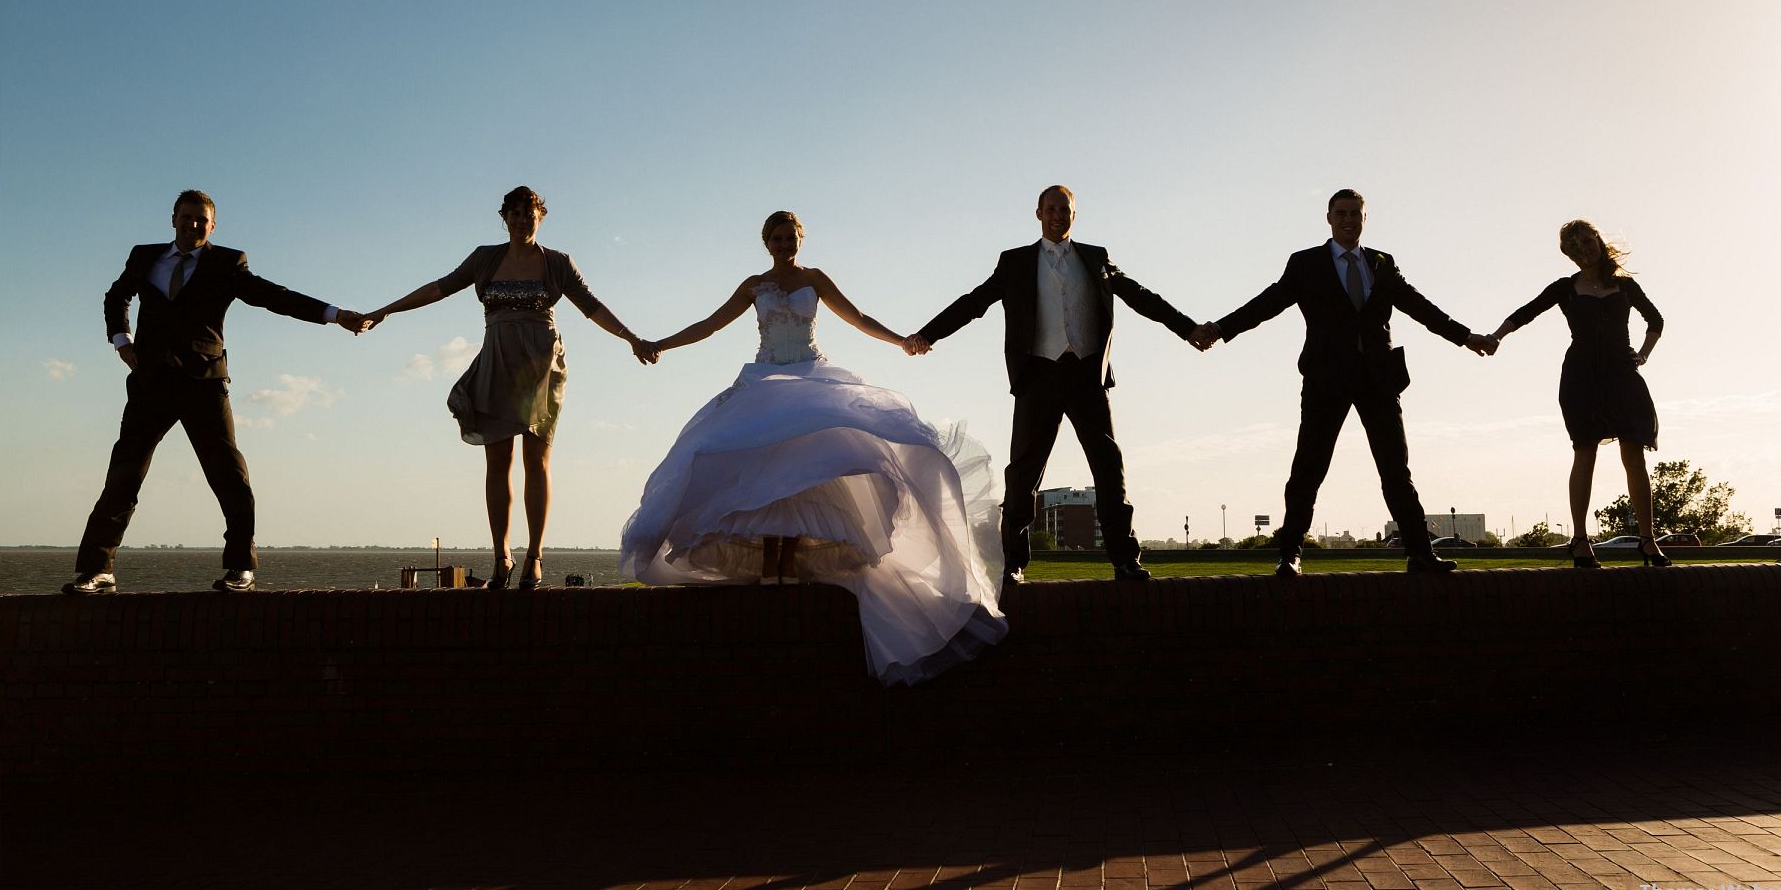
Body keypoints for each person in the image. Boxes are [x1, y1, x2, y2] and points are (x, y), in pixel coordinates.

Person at [619, 211, 1006, 686]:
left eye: (791, 238)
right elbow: (709, 325)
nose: (785, 245)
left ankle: (789, 559)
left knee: (808, 467)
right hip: (765, 379)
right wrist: (661, 343)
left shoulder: (815, 278)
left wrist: (900, 339)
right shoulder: (753, 285)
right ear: (766, 243)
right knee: (765, 467)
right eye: (777, 239)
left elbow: (858, 317)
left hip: (810, 375)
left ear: (800, 239)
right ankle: (771, 562)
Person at [63, 190, 369, 595]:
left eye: (201, 220)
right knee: (123, 477)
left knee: (229, 476)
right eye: (186, 217)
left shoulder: (227, 262)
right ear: (173, 218)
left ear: (213, 225)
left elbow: (272, 296)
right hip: (151, 382)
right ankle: (97, 570)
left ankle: (241, 567)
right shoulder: (144, 256)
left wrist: (334, 315)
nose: (193, 225)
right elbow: (116, 296)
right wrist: (123, 341)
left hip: (204, 382)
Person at [908, 185, 1201, 588]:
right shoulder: (1015, 263)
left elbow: (1141, 297)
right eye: (1051, 209)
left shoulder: (1096, 259)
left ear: (1074, 215)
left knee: (1109, 468)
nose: (1058, 215)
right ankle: (1012, 563)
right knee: (1023, 475)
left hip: (1087, 378)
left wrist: (1188, 329)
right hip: (1039, 377)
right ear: (1038, 213)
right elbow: (973, 302)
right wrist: (928, 335)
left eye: (1065, 209)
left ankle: (1124, 560)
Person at [1192, 189, 1496, 577]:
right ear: (1329, 218)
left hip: (1378, 380)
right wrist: (1220, 328)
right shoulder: (1305, 263)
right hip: (1325, 379)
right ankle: (1290, 555)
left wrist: (1465, 336)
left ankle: (1421, 553)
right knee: (1308, 468)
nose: (1349, 219)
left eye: (1356, 213)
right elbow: (1268, 303)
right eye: (1341, 213)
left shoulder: (1382, 262)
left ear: (1365, 218)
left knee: (1395, 469)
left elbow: (1418, 305)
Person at [364, 186, 653, 589]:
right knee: (497, 464)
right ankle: (501, 554)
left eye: (529, 213)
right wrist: (386, 310)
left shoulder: (557, 263)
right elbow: (439, 287)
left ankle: (535, 555)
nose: (522, 220)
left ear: (541, 217)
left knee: (537, 462)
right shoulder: (485, 258)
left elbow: (592, 306)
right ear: (505, 218)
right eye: (514, 213)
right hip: (497, 363)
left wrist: (632, 338)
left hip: (542, 367)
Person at [1487, 220, 1668, 567]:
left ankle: (1648, 540)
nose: (1584, 249)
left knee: (1635, 456)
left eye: (1587, 241)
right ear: (1569, 255)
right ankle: (1580, 540)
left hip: (1623, 377)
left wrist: (1643, 354)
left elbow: (1656, 320)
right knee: (1584, 452)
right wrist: (1496, 336)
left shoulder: (1626, 286)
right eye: (1575, 248)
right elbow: (1526, 313)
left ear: (1598, 240)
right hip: (1581, 379)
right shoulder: (1565, 288)